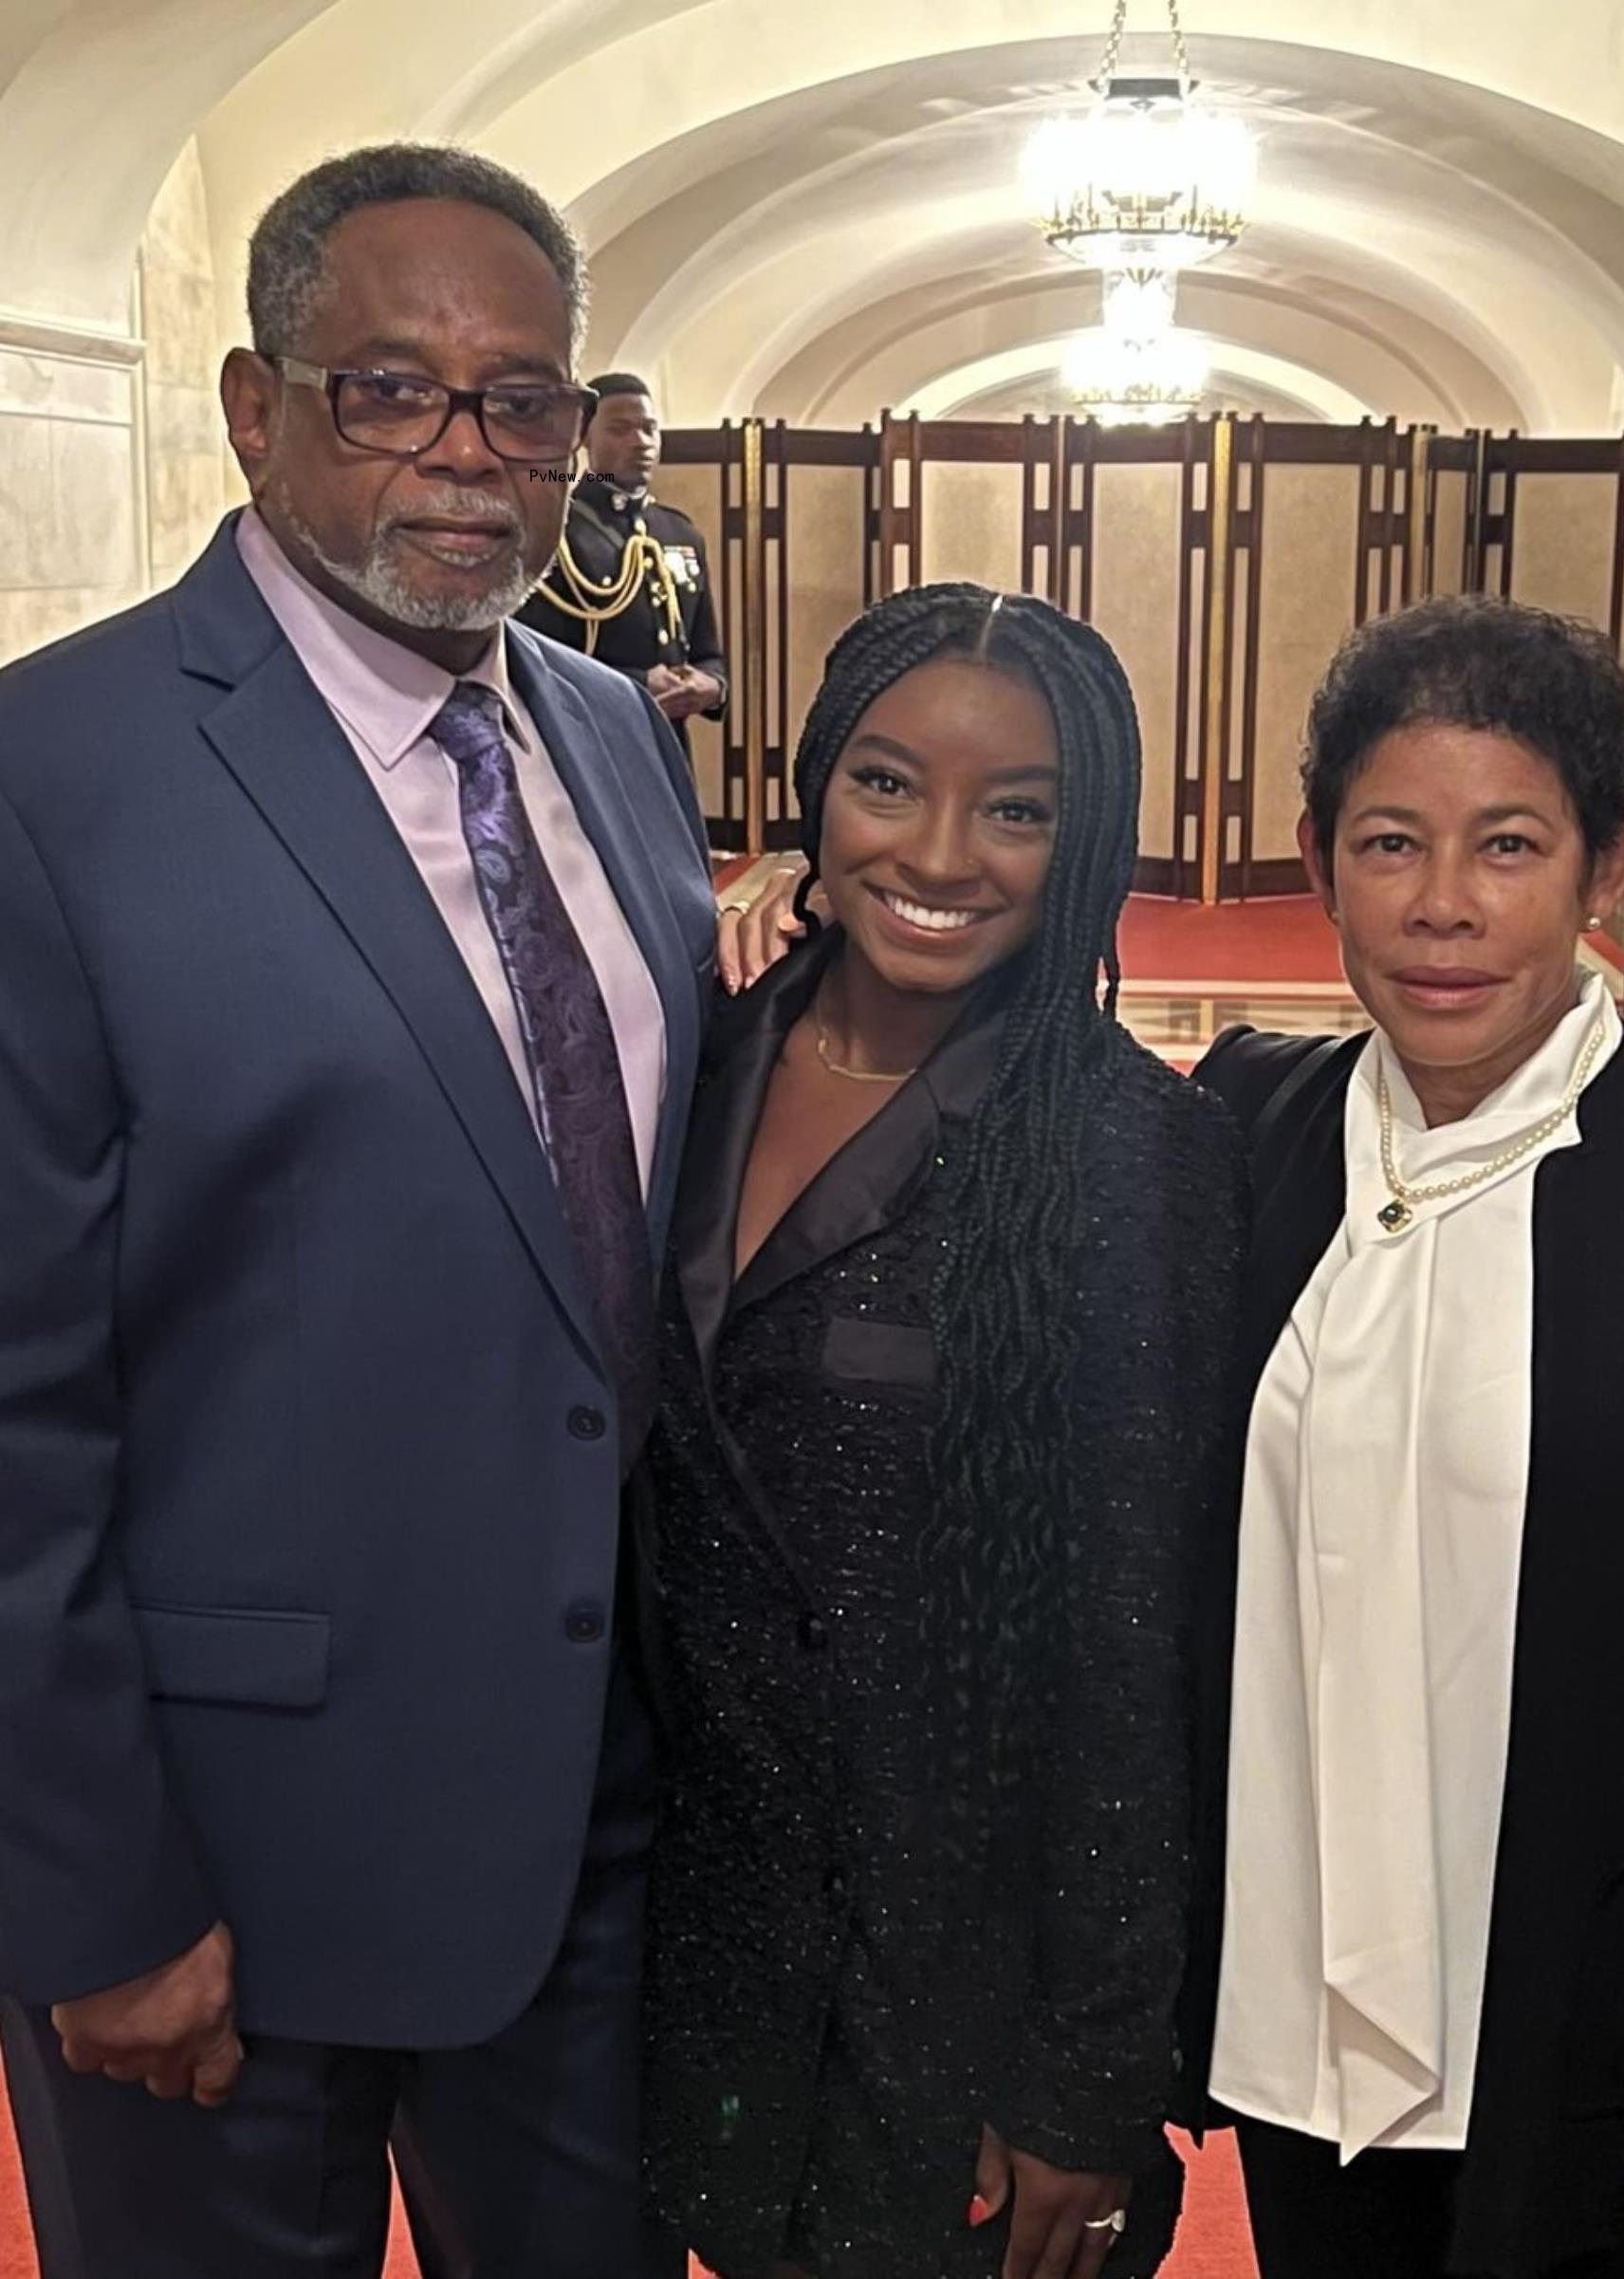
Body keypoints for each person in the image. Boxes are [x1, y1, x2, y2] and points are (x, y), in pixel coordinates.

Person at [0, 141, 791, 2279]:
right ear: (258, 411)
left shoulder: (619, 737)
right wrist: (91, 1888)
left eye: (521, 397)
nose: (468, 452)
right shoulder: (50, 779)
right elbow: (14, 1414)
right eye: (391, 389)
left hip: (593, 1820)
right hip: (224, 1869)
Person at [1183, 595, 1624, 2279]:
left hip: (1592, 2031)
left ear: (1606, 864)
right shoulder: (1248, 1139)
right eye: (1390, 842)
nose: (1443, 906)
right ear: (1318, 857)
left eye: (1510, 844)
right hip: (1296, 2001)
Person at [637, 583, 1247, 2279]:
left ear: (1092, 836)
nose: (946, 850)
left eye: (1022, 809)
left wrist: (1086, 2082)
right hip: (697, 1976)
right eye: (889, 782)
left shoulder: (1132, 1157)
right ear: (817, 786)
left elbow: (1136, 1654)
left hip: (958, 2019)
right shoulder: (688, 1060)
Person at [517, 372, 728, 747]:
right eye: (621, 429)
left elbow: (708, 652)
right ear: (584, 438)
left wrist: (712, 686)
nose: (640, 442)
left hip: (668, 747)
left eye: (649, 428)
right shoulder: (557, 533)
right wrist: (640, 684)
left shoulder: (679, 533)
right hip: (593, 739)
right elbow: (539, 663)